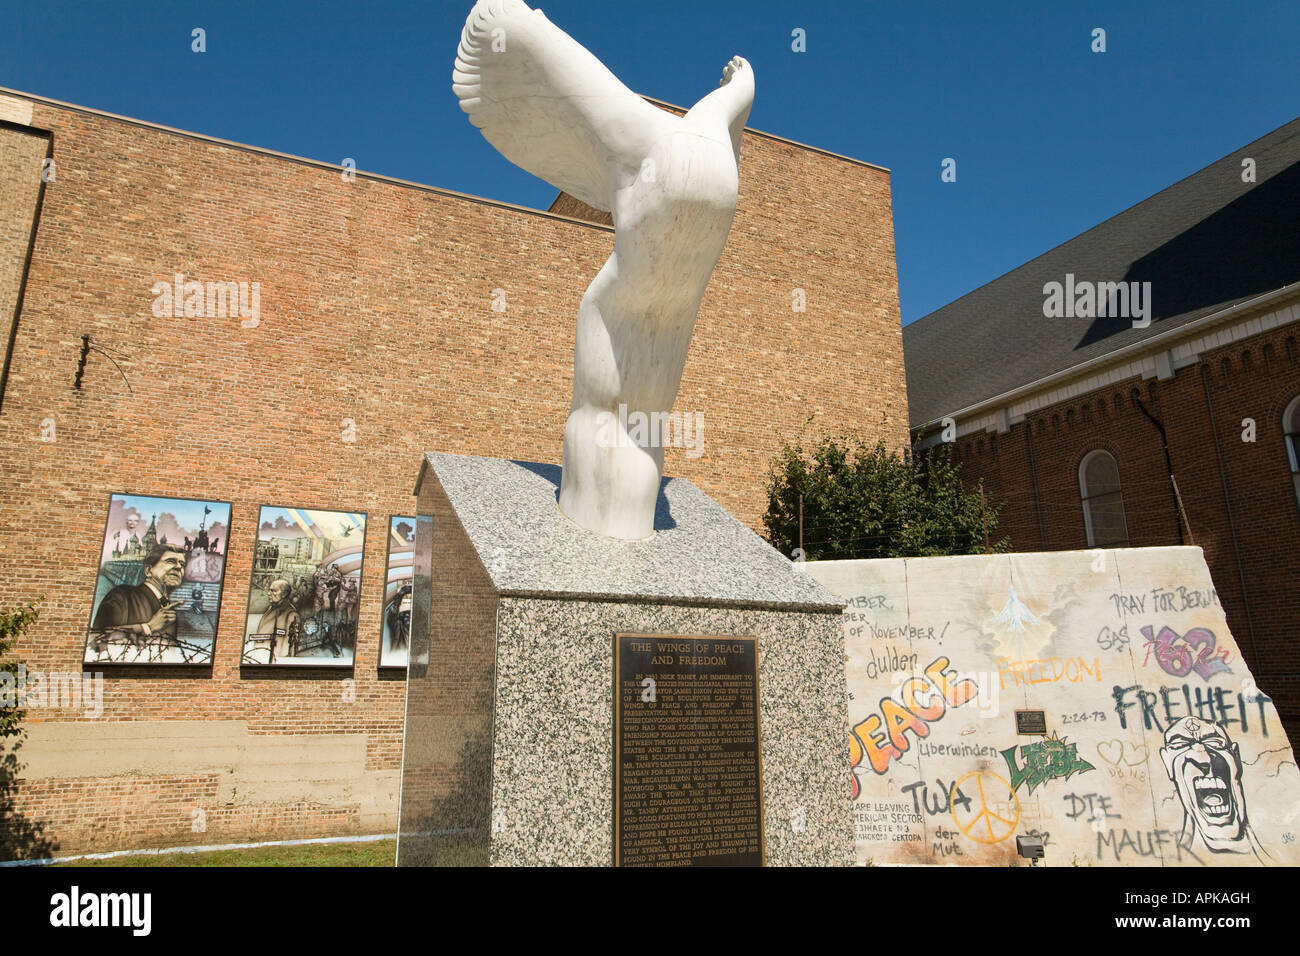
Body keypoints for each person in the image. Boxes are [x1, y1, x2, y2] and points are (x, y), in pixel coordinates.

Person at [91, 543, 186, 643]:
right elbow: (97, 640)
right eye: (170, 561)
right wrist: (149, 627)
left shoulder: (167, 607)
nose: (179, 567)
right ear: (149, 571)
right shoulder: (122, 597)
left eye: (182, 564)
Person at [258, 579, 301, 661]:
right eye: (269, 590)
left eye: (273, 591)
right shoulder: (270, 609)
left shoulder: (291, 614)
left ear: (284, 594)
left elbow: (291, 645)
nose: (269, 594)